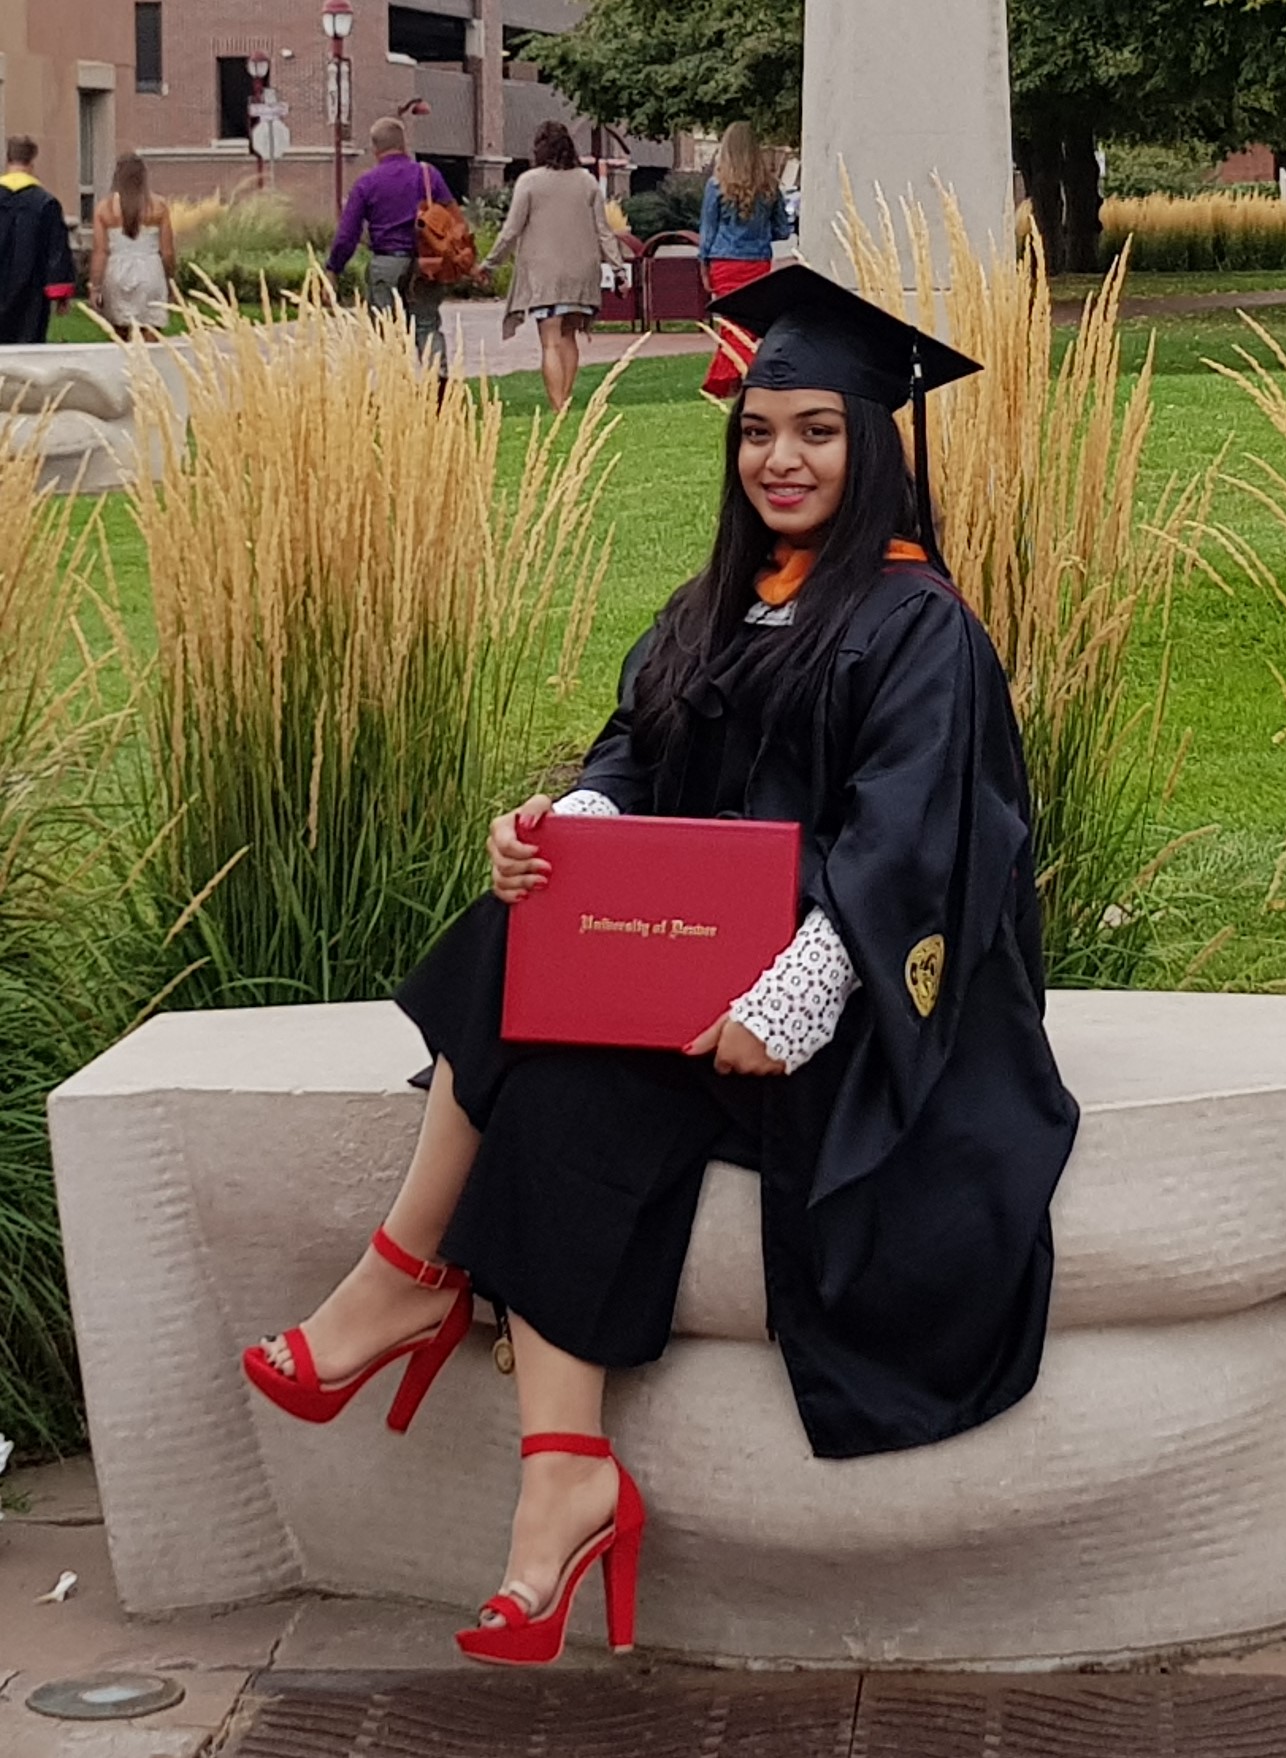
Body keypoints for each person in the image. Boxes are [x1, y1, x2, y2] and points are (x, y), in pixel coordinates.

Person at [241, 264, 1079, 1668]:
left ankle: (404, 1277)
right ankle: (564, 1478)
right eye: (756, 432)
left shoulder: (915, 626)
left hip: (867, 1008)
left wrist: (800, 994)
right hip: (699, 980)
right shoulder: (717, 604)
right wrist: (560, 833)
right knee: (548, 1030)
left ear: (869, 443)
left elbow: (910, 853)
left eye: (815, 430)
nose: (781, 459)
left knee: (540, 1024)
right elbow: (633, 754)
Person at [481, 122, 626, 411]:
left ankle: (558, 405)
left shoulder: (529, 181)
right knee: (569, 336)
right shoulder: (587, 181)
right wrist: (618, 267)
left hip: (545, 275)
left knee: (549, 341)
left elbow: (511, 229)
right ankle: (567, 398)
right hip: (582, 273)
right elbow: (603, 231)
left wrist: (490, 263)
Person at [326, 117, 455, 382]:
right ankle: (439, 385)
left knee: (388, 329)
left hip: (386, 264)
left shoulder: (366, 183)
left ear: (375, 149)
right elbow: (453, 218)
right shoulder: (428, 175)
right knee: (427, 324)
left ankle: (397, 387)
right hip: (426, 263)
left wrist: (334, 269)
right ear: (404, 143)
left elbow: (347, 234)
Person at [698, 122, 792, 399]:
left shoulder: (716, 186)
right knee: (749, 324)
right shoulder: (769, 187)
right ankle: (744, 376)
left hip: (724, 261)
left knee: (729, 323)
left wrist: (703, 266)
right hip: (757, 262)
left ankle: (738, 375)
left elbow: (707, 229)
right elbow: (783, 229)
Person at [88, 154, 175, 341]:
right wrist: (170, 280)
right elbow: (167, 252)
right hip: (150, 271)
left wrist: (95, 286)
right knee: (152, 332)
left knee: (119, 336)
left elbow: (100, 252)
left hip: (116, 272)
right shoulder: (158, 206)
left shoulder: (105, 208)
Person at [0, 137, 75, 345]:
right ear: (32, 163)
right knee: (28, 346)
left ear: (7, 160)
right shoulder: (45, 203)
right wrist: (61, 293)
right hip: (31, 291)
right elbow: (56, 251)